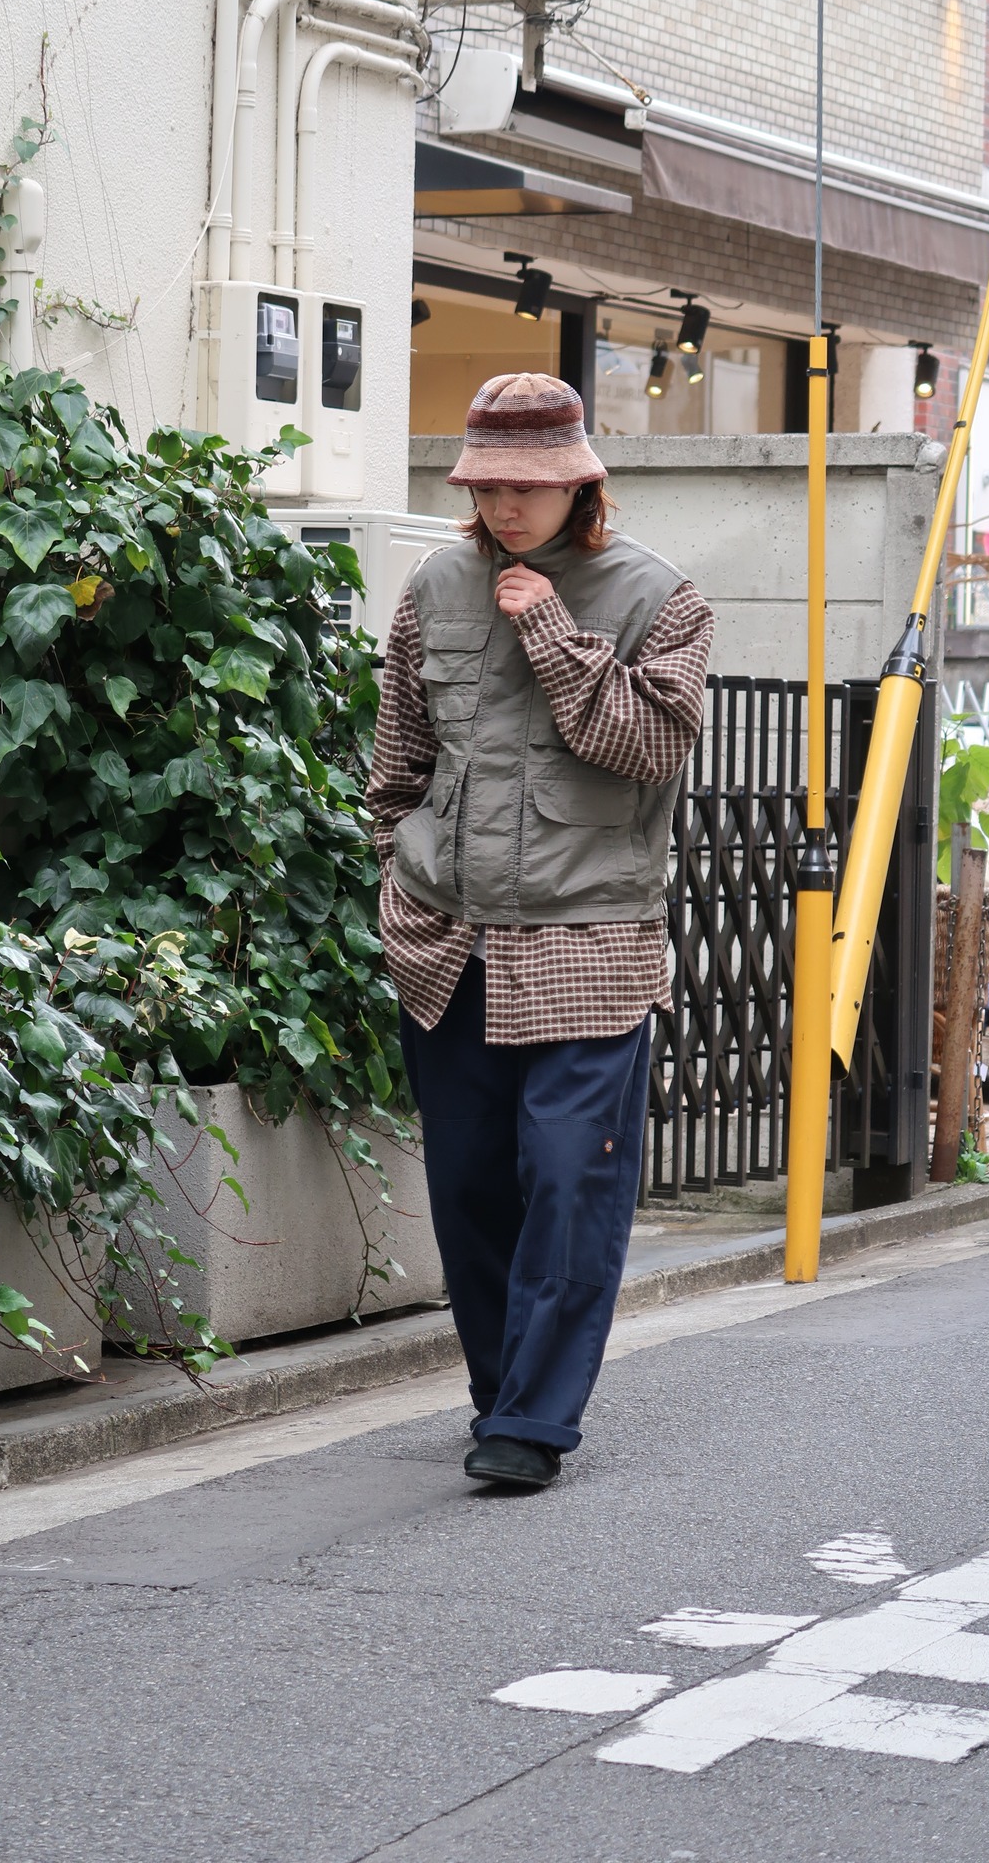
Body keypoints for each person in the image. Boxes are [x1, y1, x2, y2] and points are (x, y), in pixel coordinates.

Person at [366, 372, 713, 1491]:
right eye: (486, 486)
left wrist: (554, 632)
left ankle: (532, 1421)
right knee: (469, 1187)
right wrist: (395, 870)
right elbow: (399, 755)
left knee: (569, 1181)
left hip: (587, 942)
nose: (504, 506)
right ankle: (499, 1395)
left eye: (527, 486)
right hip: (450, 940)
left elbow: (646, 748)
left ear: (581, 484)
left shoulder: (661, 597)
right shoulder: (434, 585)